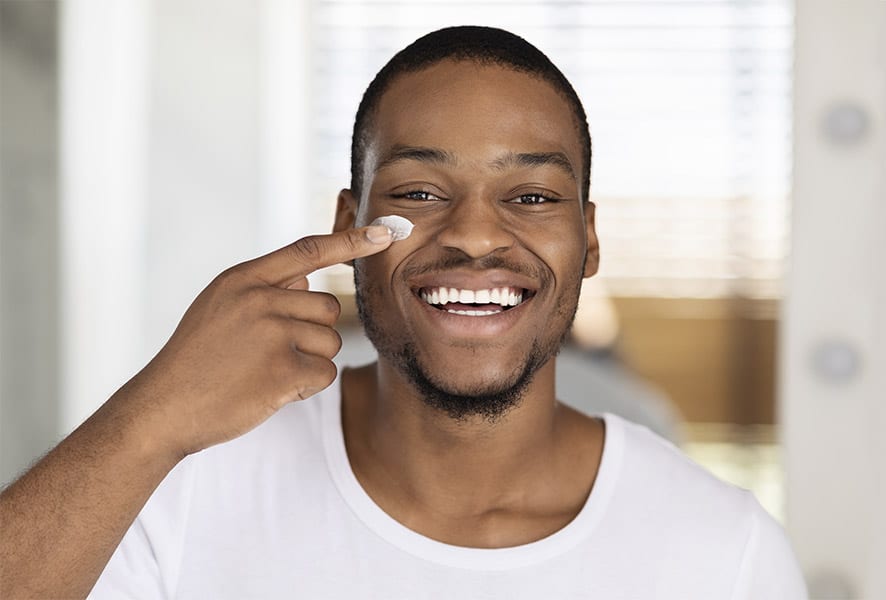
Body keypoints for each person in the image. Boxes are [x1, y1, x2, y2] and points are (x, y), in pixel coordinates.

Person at [0, 26, 807, 599]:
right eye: (420, 193)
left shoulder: (722, 554)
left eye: (531, 196)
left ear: (588, 241)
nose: (475, 234)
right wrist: (154, 412)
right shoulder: (184, 488)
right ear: (351, 227)